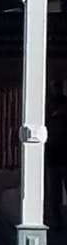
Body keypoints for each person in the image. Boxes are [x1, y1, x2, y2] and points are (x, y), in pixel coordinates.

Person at [47, 93, 67, 230]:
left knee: (54, 194)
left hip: (54, 160)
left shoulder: (50, 121)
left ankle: (57, 222)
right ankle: (57, 221)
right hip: (61, 160)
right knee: (55, 193)